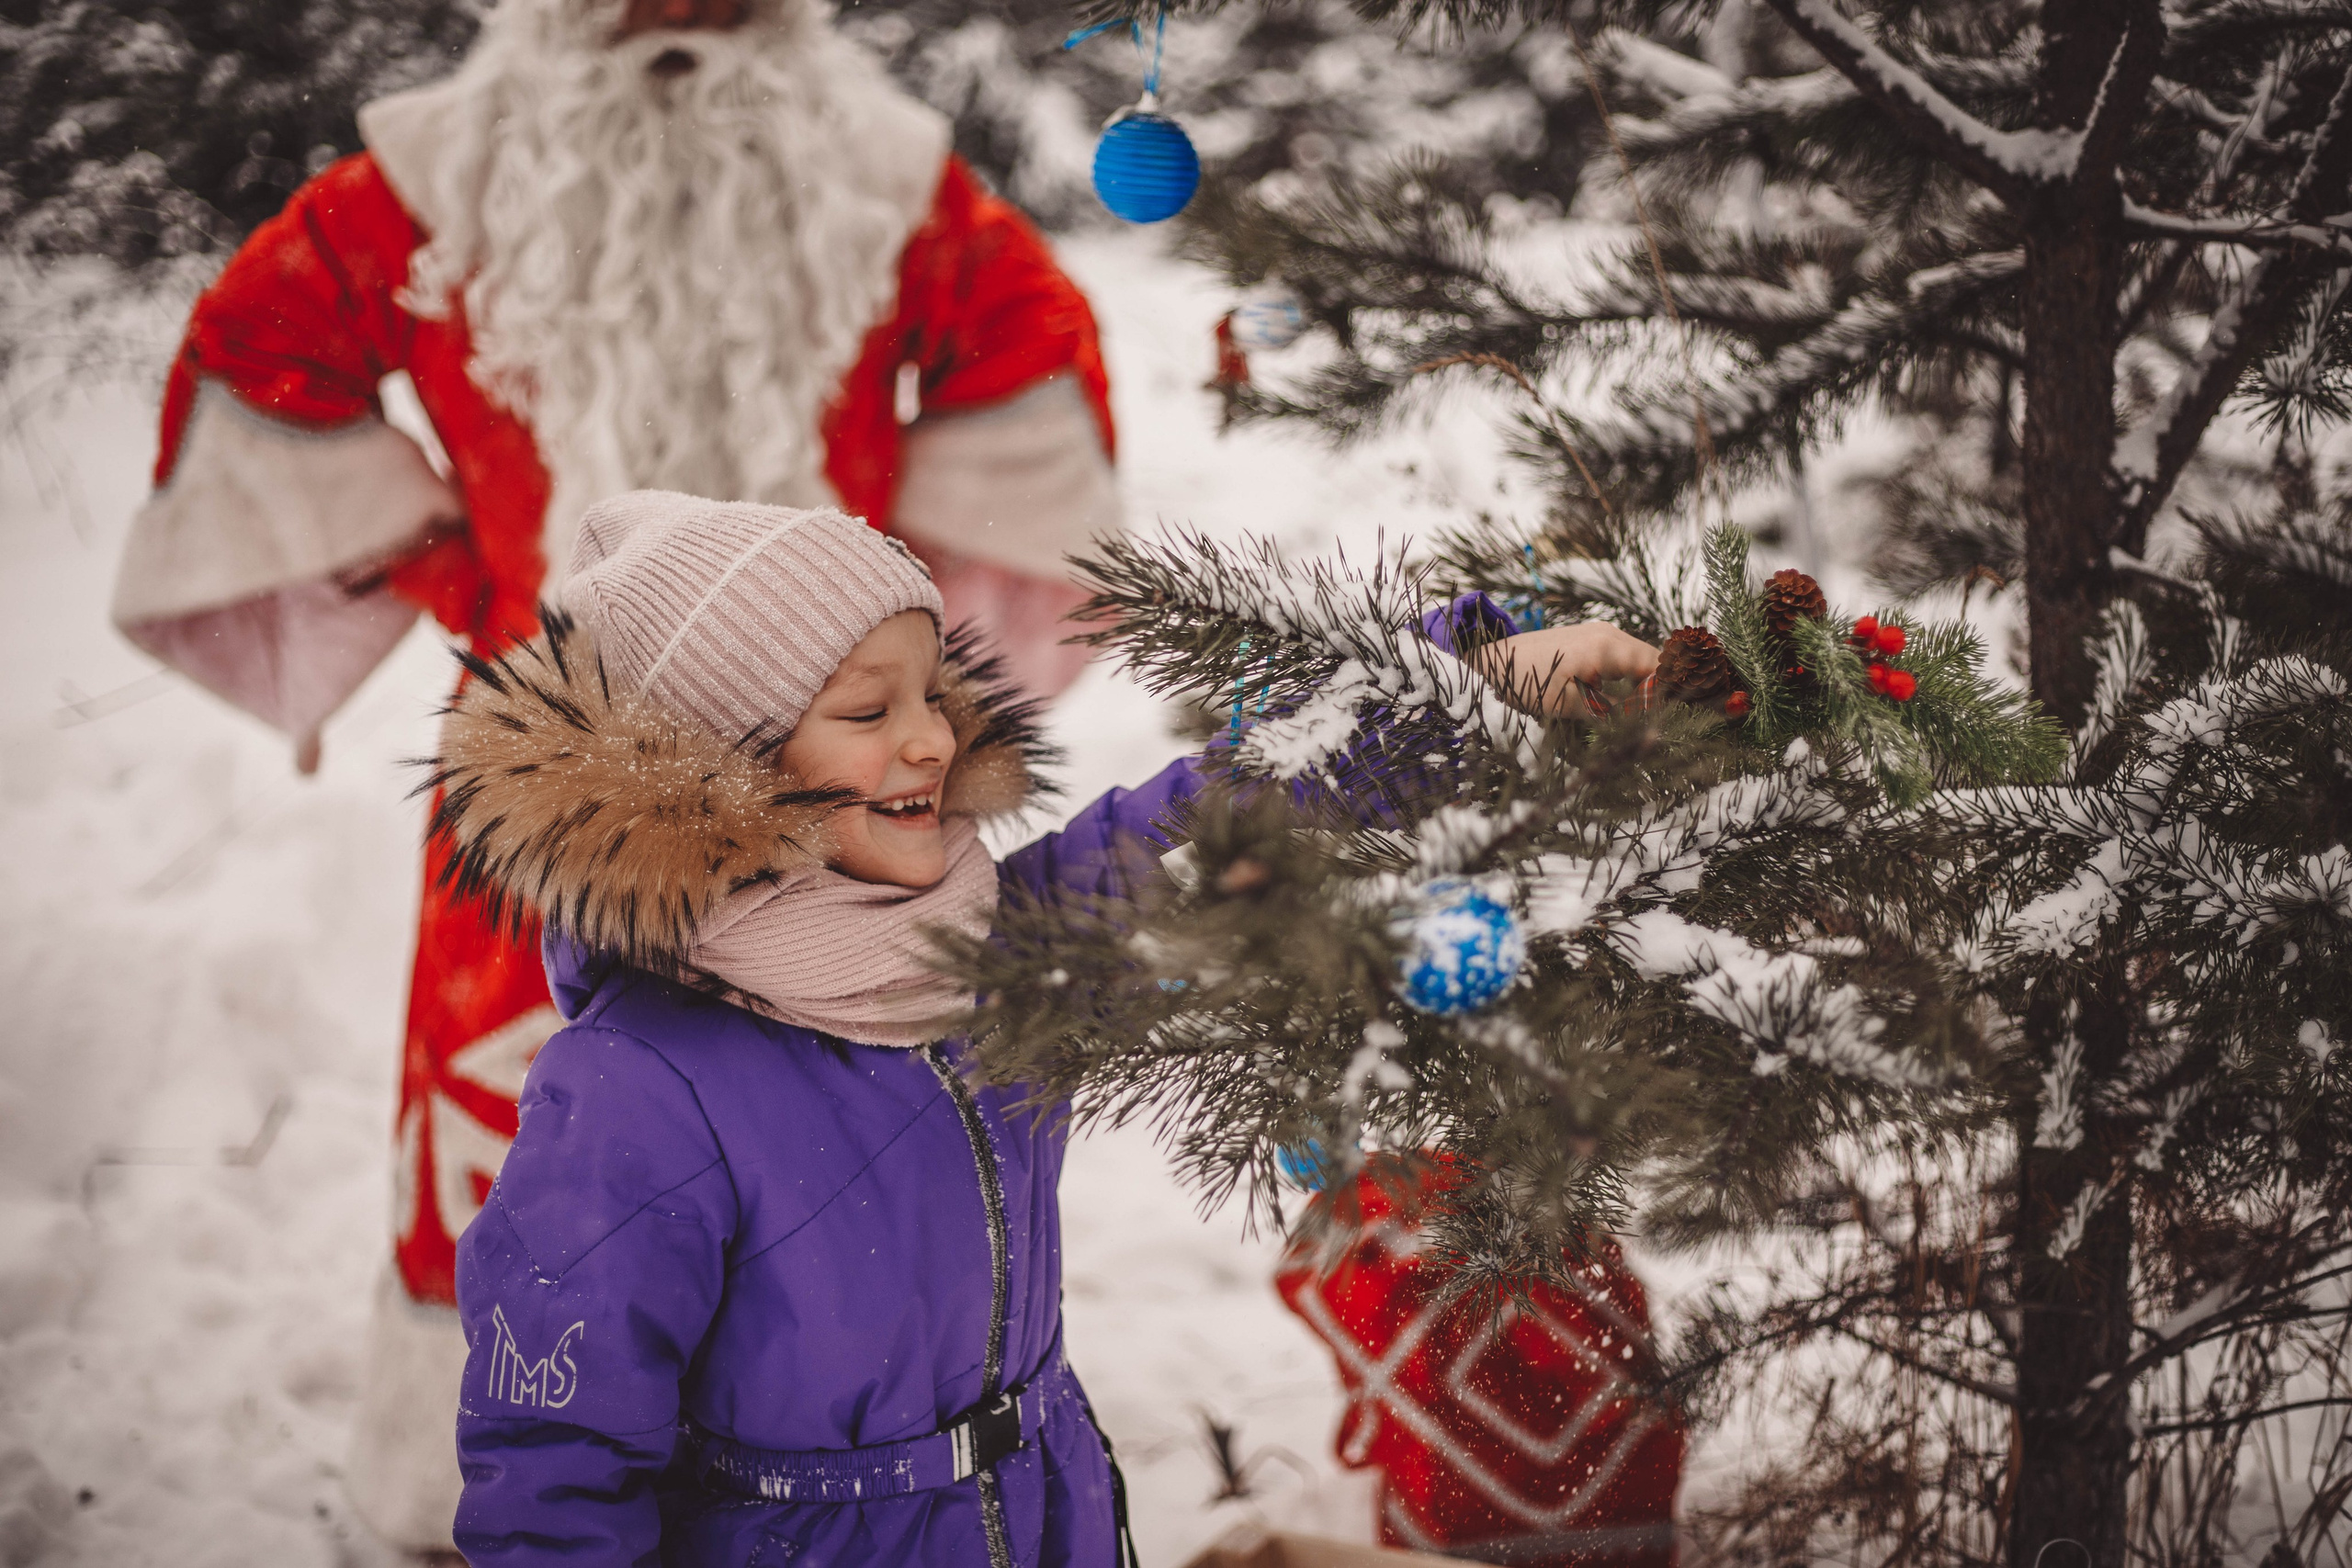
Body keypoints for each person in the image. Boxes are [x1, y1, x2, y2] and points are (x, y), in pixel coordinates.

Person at [107, 0, 1119, 1543]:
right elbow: (258, 348)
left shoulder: (878, 172)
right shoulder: (437, 174)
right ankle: (494, 1485)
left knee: (841, 1151)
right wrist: (457, 558)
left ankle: (833, 1456)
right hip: (553, 805)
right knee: (535, 1135)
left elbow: (1031, 354)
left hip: (842, 794)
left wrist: (881, 604)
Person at [424, 490, 1657, 1565]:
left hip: (1041, 1518)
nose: (932, 738)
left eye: (931, 693)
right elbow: (552, 1470)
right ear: (722, 766)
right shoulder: (638, 1089)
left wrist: (1471, 688)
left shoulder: (998, 947)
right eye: (869, 711)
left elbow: (1222, 825)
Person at [1276, 1158, 1684, 1564]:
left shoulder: (1366, 1235)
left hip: (1457, 1529)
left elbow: (1307, 1274)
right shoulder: (1538, 1218)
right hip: (1621, 1525)